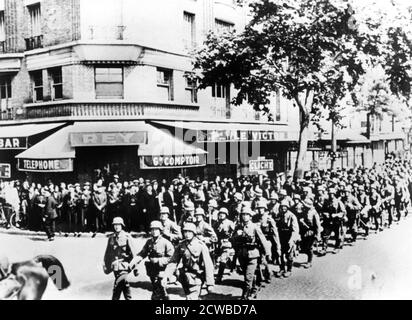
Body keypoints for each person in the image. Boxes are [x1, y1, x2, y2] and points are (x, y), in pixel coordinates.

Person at [164, 223, 215, 300]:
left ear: (194, 233)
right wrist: (166, 276)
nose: (187, 234)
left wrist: (210, 283)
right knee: (189, 296)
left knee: (191, 298)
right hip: (184, 277)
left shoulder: (201, 245)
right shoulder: (181, 245)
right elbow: (173, 261)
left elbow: (208, 265)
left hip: (196, 277)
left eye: (189, 232)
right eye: (185, 232)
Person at [232, 207, 270, 300]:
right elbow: (232, 239)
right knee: (247, 275)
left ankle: (245, 296)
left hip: (253, 254)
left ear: (250, 216)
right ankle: (254, 290)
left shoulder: (255, 227)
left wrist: (268, 253)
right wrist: (237, 235)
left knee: (248, 277)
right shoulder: (238, 227)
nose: (245, 217)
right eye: (243, 215)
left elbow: (263, 240)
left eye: (247, 215)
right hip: (242, 254)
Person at [130, 221, 174, 300]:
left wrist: (158, 260)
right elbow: (142, 254)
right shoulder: (149, 242)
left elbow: (172, 258)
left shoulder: (166, 243)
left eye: (156, 229)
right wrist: (134, 262)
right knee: (159, 291)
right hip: (152, 272)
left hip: (162, 271)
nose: (154, 232)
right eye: (152, 230)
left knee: (158, 291)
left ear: (160, 231)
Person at [103, 217, 137, 300]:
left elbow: (134, 253)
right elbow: (107, 253)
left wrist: (136, 268)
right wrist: (106, 265)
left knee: (117, 285)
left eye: (118, 225)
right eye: (115, 225)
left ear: (122, 225)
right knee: (124, 285)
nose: (116, 226)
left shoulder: (127, 237)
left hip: (125, 266)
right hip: (115, 266)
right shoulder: (111, 238)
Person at [276, 200, 300, 278]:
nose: (283, 208)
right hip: (281, 236)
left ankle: (289, 270)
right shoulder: (279, 215)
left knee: (289, 254)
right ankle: (282, 268)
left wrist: (292, 240)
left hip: (289, 236)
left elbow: (295, 229)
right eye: (282, 206)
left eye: (285, 206)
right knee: (280, 254)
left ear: (287, 207)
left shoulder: (292, 216)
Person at [213, 207, 236, 284]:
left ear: (226, 215)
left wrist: (230, 236)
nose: (221, 215)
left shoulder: (230, 223)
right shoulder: (216, 223)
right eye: (220, 214)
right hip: (219, 244)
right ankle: (231, 265)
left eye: (223, 214)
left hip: (227, 244)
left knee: (222, 260)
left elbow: (234, 233)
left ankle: (219, 277)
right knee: (219, 259)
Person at [298, 199, 322, 268]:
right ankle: (309, 257)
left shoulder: (314, 213)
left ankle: (309, 262)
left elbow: (317, 225)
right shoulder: (304, 211)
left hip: (311, 232)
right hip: (304, 231)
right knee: (304, 247)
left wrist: (318, 235)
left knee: (309, 247)